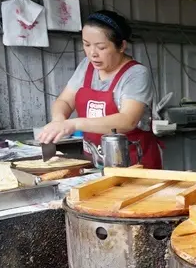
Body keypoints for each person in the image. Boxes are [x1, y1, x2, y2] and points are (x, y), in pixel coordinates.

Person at [38, 10, 162, 169]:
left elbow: (127, 120)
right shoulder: (86, 66)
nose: (92, 53)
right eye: (86, 44)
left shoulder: (136, 74)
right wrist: (59, 120)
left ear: (122, 46)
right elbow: (64, 101)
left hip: (133, 164)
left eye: (101, 47)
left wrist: (74, 124)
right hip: (96, 163)